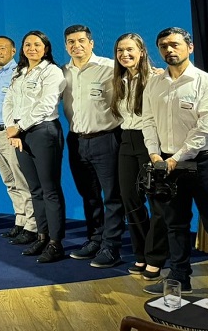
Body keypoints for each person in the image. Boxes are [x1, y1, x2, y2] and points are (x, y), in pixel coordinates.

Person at [142, 27, 208, 295]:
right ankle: (180, 279)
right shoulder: (154, 83)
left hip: (201, 162)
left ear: (190, 47)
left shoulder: (203, 81)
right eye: (163, 46)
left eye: (174, 44)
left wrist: (178, 157)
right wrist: (154, 153)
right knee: (175, 225)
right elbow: (148, 120)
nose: (169, 50)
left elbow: (205, 127)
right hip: (165, 162)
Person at [61, 24, 125, 268]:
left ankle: (112, 247)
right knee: (89, 195)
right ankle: (95, 240)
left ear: (91, 43)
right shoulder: (63, 72)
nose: (76, 45)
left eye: (81, 41)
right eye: (71, 42)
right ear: (66, 45)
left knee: (112, 196)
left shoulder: (109, 67)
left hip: (106, 138)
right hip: (77, 140)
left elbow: (137, 76)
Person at [4, 30, 67, 263]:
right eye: (27, 44)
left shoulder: (52, 71)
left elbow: (46, 105)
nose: (32, 48)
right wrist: (11, 128)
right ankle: (42, 236)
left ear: (46, 48)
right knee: (35, 189)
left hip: (43, 132)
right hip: (21, 134)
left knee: (50, 190)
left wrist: (18, 127)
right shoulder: (19, 72)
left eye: (37, 44)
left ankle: (56, 243)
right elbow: (9, 101)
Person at [110, 33, 168, 280]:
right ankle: (141, 253)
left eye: (130, 49)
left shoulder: (156, 78)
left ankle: (156, 257)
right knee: (130, 199)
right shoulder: (119, 80)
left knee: (156, 200)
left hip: (150, 141)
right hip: (127, 140)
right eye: (120, 50)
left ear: (142, 51)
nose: (125, 54)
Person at [0, 36, 36, 245]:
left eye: (2, 48)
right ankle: (20, 221)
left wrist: (16, 132)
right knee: (9, 181)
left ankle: (32, 226)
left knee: (21, 180)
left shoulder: (20, 73)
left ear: (14, 51)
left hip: (11, 134)